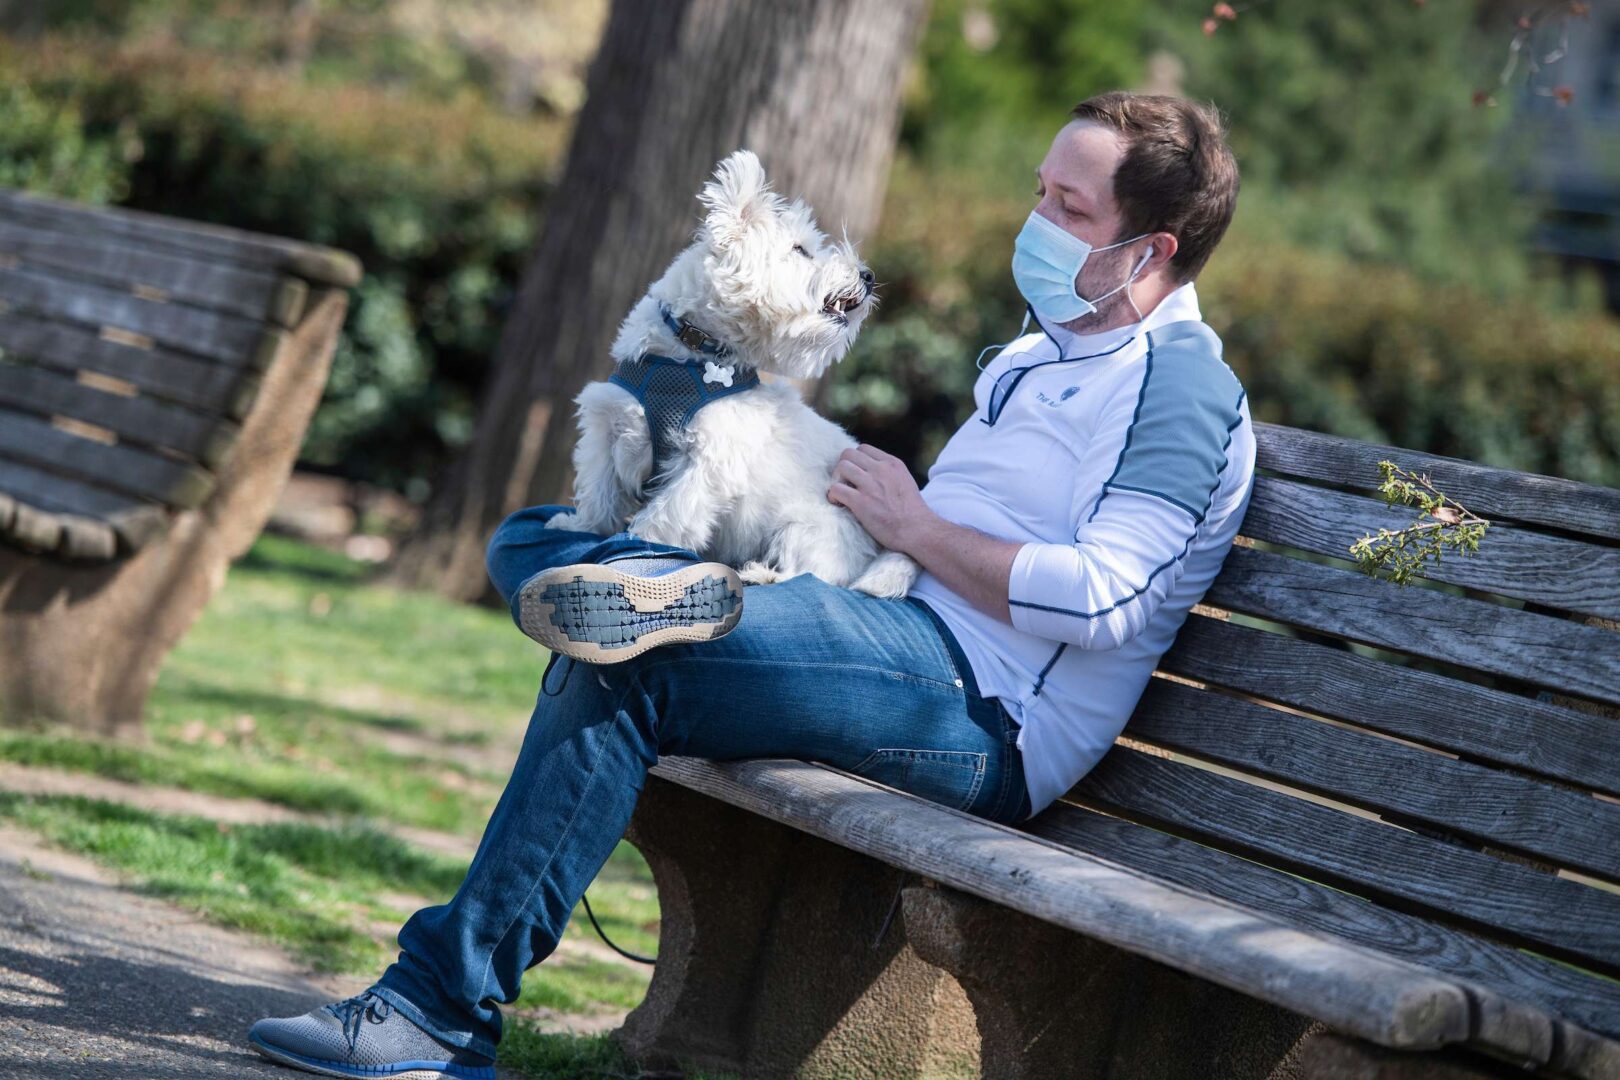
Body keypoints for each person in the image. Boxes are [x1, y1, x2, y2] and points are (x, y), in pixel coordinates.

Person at [247, 90, 1254, 1079]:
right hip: (889, 624)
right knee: (533, 534)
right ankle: (626, 583)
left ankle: (434, 1014)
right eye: (1039, 191)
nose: (1036, 223)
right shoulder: (1052, 347)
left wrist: (915, 525)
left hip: (984, 709)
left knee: (636, 658)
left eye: (1069, 211)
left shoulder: (1179, 384)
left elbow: (1101, 601)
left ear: (1152, 250)